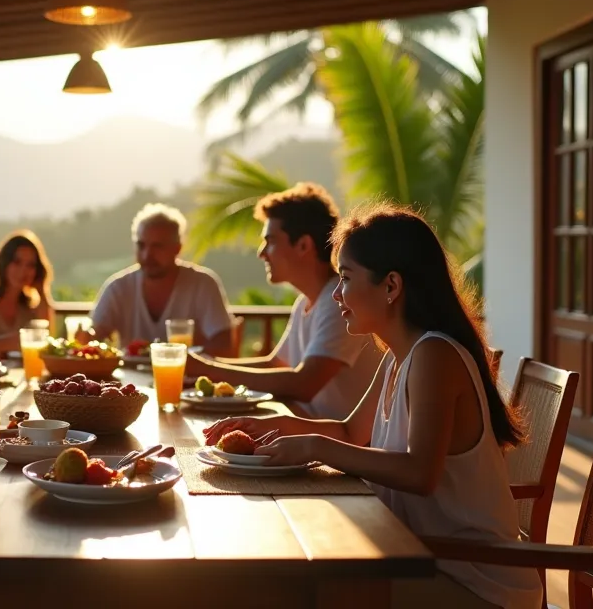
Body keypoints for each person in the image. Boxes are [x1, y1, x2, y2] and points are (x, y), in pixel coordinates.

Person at [203, 204, 542, 609]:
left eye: (345, 278)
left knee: (290, 590)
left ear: (391, 286)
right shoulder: (401, 354)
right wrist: (279, 423)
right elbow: (350, 431)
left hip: (472, 581)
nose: (336, 293)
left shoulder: (434, 356)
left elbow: (420, 473)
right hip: (417, 555)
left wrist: (315, 447)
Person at [186, 183, 382, 420]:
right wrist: (208, 364)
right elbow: (275, 364)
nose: (261, 252)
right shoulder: (305, 303)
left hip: (336, 447)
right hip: (305, 434)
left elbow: (303, 384)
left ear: (303, 245)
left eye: (270, 240)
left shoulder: (338, 302)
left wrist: (206, 369)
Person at [79, 203, 235, 356]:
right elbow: (94, 335)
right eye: (141, 245)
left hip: (187, 379)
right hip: (129, 380)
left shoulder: (203, 284)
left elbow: (224, 345)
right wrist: (87, 335)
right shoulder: (118, 287)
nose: (148, 255)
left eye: (158, 246)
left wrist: (181, 356)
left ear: (177, 248)